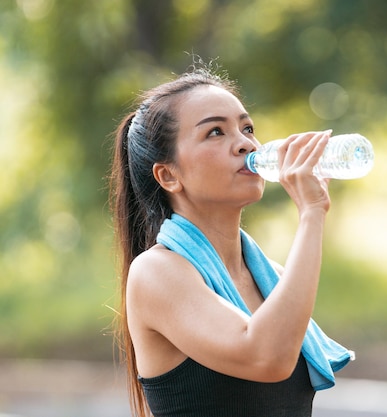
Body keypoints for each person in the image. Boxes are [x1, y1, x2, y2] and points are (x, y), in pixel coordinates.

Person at [109, 63, 353, 417]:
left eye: (247, 128)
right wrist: (312, 213)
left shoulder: (274, 278)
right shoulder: (156, 272)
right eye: (215, 133)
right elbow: (266, 357)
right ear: (169, 175)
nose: (244, 143)